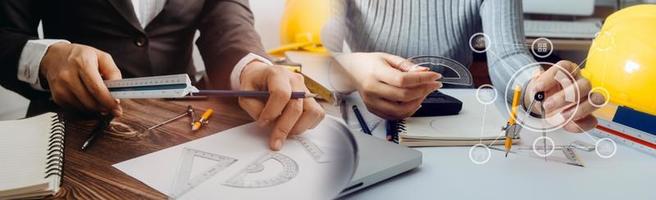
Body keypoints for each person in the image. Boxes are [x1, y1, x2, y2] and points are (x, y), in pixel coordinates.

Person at [0, 0, 324, 150]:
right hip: (72, 129)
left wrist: (252, 66)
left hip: (189, 121)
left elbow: (226, 13)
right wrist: (44, 59)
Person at [322, 0, 604, 132]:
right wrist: (353, 69)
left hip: (457, 125)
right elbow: (313, 55)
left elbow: (508, 54)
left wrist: (538, 87)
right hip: (367, 123)